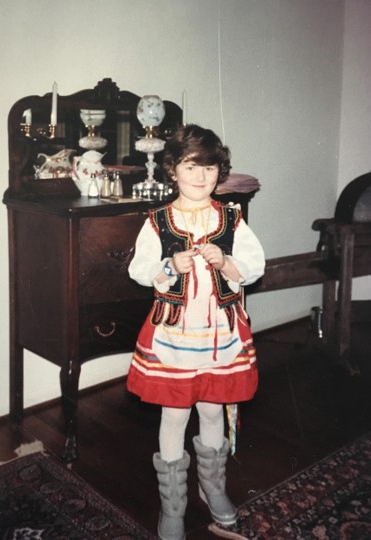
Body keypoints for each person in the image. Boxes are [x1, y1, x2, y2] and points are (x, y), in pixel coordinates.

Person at [127, 124, 265, 540]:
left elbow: (255, 263)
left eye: (209, 168)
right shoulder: (158, 221)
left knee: (211, 410)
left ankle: (213, 489)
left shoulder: (231, 218)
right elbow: (138, 269)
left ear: (219, 172)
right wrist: (169, 268)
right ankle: (173, 506)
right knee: (174, 414)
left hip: (220, 335)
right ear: (173, 170)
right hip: (175, 334)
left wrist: (225, 262)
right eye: (191, 167)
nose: (201, 176)